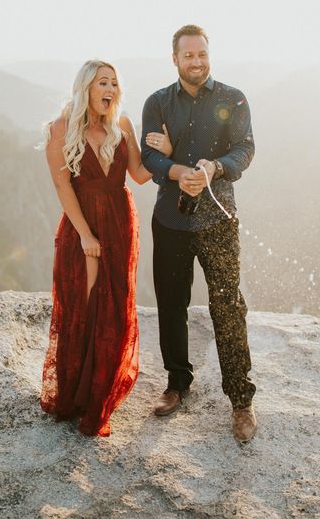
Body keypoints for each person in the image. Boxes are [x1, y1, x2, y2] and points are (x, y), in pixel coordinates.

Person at [40, 59, 171, 437]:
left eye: (114, 82)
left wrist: (168, 148)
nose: (110, 89)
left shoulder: (123, 125)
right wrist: (84, 235)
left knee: (114, 305)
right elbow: (63, 187)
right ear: (86, 89)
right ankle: (75, 396)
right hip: (82, 225)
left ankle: (99, 396)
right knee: (84, 304)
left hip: (119, 222)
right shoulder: (61, 129)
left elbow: (141, 176)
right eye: (102, 82)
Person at [141, 24, 258, 443]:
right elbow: (148, 155)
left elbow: (245, 148)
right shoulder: (156, 102)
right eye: (188, 55)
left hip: (218, 217)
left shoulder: (233, 97)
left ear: (209, 54)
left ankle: (241, 400)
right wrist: (176, 170)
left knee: (228, 306)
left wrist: (212, 167)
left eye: (202, 54)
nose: (197, 61)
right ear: (175, 59)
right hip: (170, 219)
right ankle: (177, 385)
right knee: (172, 305)